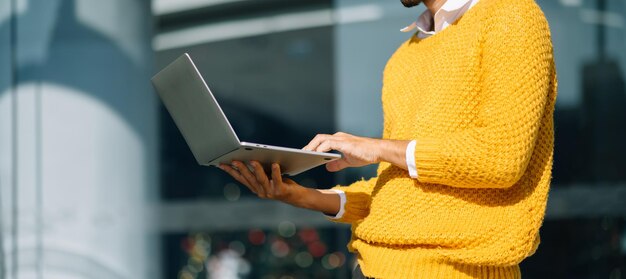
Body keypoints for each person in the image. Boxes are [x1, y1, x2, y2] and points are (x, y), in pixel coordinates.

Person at [220, 0, 557, 277]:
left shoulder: (512, 14)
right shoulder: (402, 60)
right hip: (372, 267)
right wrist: (302, 196)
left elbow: (501, 157)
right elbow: (398, 189)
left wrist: (377, 148)